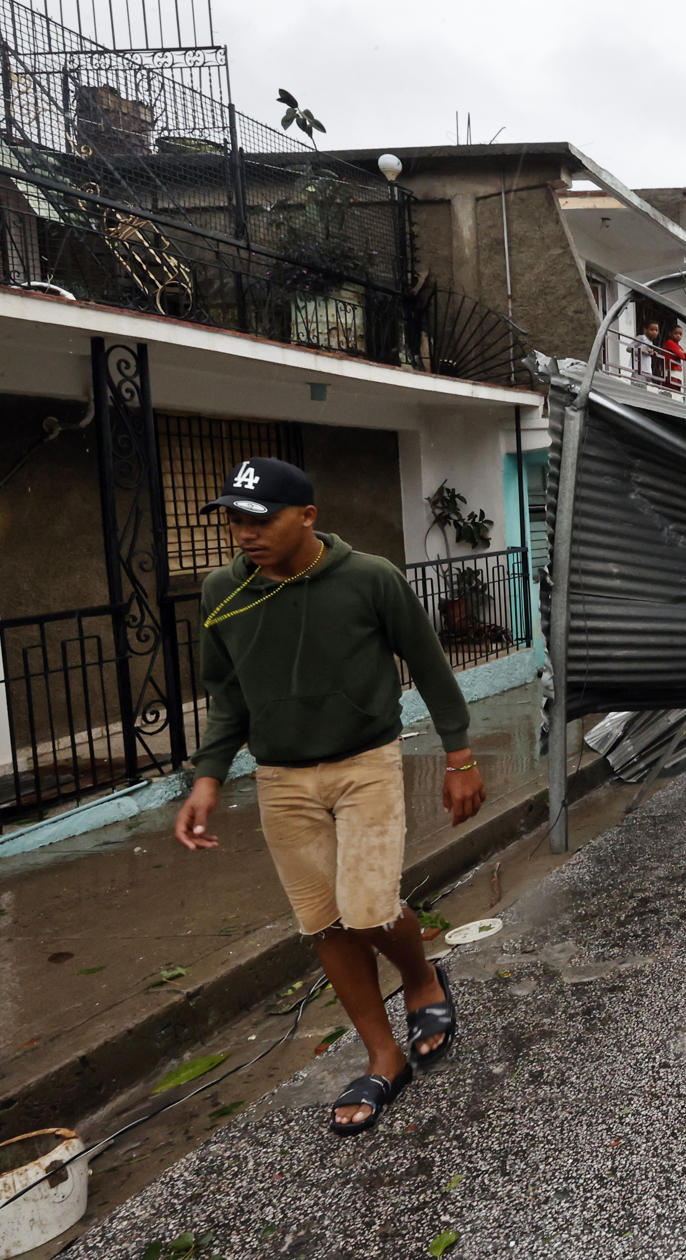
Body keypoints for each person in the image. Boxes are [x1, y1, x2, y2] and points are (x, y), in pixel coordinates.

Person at [172, 457, 485, 1137]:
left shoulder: (370, 578)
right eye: (233, 518)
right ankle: (382, 1054)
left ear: (307, 516)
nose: (243, 532)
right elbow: (226, 695)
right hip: (281, 779)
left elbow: (429, 665)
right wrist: (207, 777)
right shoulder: (222, 590)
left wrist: (459, 755)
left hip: (365, 763)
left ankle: (422, 978)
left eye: (260, 518)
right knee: (325, 923)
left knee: (368, 906)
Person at [661, 323, 686, 392]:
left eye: (680, 334)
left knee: (676, 395)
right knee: (671, 394)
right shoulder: (669, 342)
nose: (678, 336)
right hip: (671, 374)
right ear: (670, 334)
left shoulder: (679, 346)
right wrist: (683, 353)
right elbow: (680, 355)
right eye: (676, 333)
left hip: (677, 375)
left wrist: (684, 354)